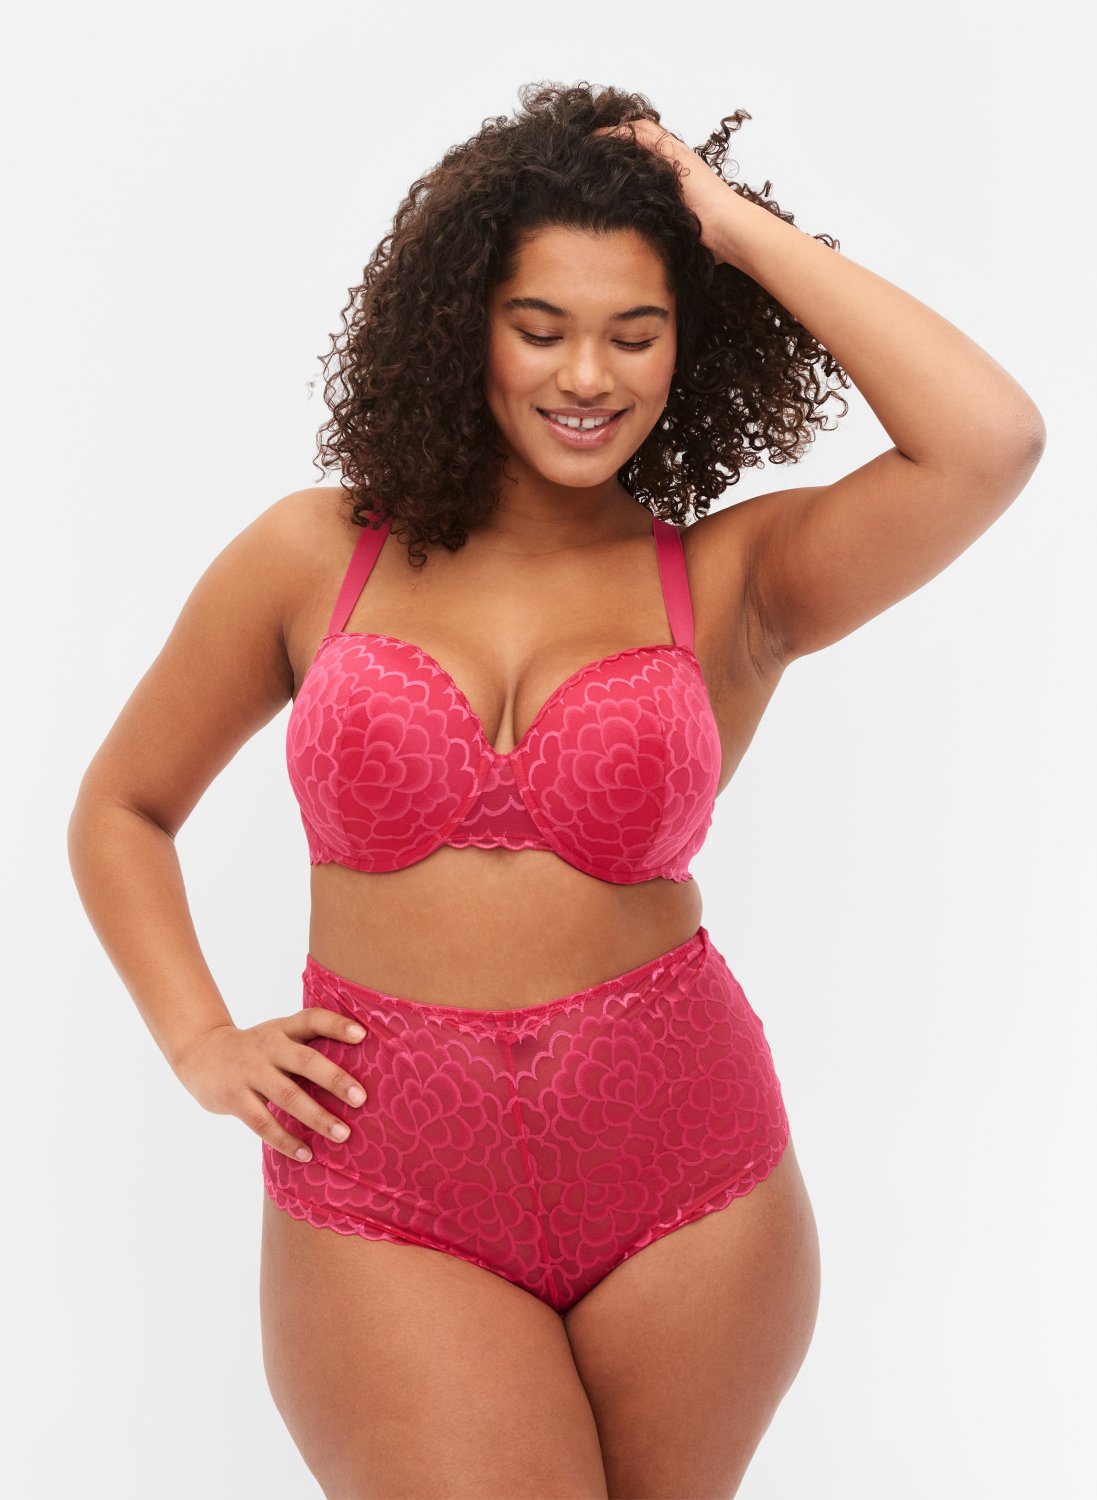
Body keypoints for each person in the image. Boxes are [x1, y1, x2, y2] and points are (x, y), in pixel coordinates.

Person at [67, 81, 1045, 1500]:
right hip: (388, 1178)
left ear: (684, 342)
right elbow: (123, 807)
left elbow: (991, 440)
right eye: (540, 328)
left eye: (634, 332)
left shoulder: (731, 582)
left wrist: (724, 222)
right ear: (462, 324)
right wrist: (198, 1040)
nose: (587, 375)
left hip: (687, 1176)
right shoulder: (310, 553)